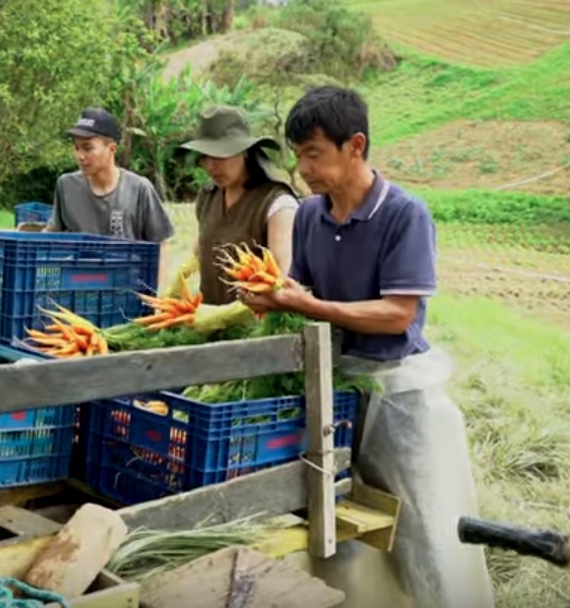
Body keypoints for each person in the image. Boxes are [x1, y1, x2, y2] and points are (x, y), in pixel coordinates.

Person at [241, 85, 494, 608]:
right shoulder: (311, 214)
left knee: (423, 524)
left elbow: (398, 313)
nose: (303, 168)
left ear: (355, 145)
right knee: (340, 514)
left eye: (314, 154)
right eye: (299, 156)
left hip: (398, 394)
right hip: (337, 389)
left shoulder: (404, 214)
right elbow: (302, 287)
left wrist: (307, 307)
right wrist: (273, 297)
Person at [176, 105, 298, 305]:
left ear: (245, 152)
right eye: (205, 157)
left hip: (256, 328)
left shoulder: (277, 204)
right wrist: (183, 271)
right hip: (209, 323)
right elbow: (205, 245)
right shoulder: (208, 196)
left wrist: (239, 310)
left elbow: (281, 280)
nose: (210, 166)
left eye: (220, 156)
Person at [45, 107, 175, 286]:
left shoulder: (139, 189)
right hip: (78, 287)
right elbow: (53, 234)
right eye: (76, 148)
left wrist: (157, 298)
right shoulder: (66, 186)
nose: (80, 156)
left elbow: (160, 245)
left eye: (88, 148)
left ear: (111, 149)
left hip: (126, 290)